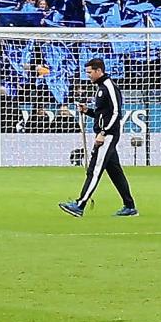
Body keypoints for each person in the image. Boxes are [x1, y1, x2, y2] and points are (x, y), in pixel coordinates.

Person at [60, 57, 137, 218]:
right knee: (115, 171)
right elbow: (102, 114)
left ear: (98, 70)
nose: (88, 75)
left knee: (94, 170)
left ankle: (80, 205)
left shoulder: (109, 87)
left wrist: (103, 133)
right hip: (104, 133)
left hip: (108, 135)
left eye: (89, 72)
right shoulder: (100, 87)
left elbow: (116, 113)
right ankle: (129, 206)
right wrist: (87, 111)